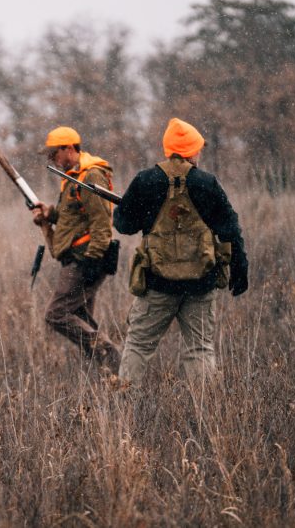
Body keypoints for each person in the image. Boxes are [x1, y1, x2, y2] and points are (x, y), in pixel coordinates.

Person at [114, 117, 248, 387]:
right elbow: (230, 230)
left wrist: (139, 213)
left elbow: (123, 225)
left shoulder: (145, 180)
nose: (200, 152)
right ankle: (205, 412)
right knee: (199, 348)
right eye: (198, 148)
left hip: (157, 282)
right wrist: (240, 267)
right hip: (201, 281)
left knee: (139, 344)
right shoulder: (207, 183)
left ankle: (125, 408)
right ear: (191, 151)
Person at [32, 126, 120, 371]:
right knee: (80, 317)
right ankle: (106, 373)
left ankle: (108, 353)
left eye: (54, 154)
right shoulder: (72, 177)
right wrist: (48, 213)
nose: (52, 159)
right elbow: (70, 216)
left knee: (56, 314)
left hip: (86, 259)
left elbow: (102, 222)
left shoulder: (91, 176)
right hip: (79, 257)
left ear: (69, 148)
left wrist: (92, 262)